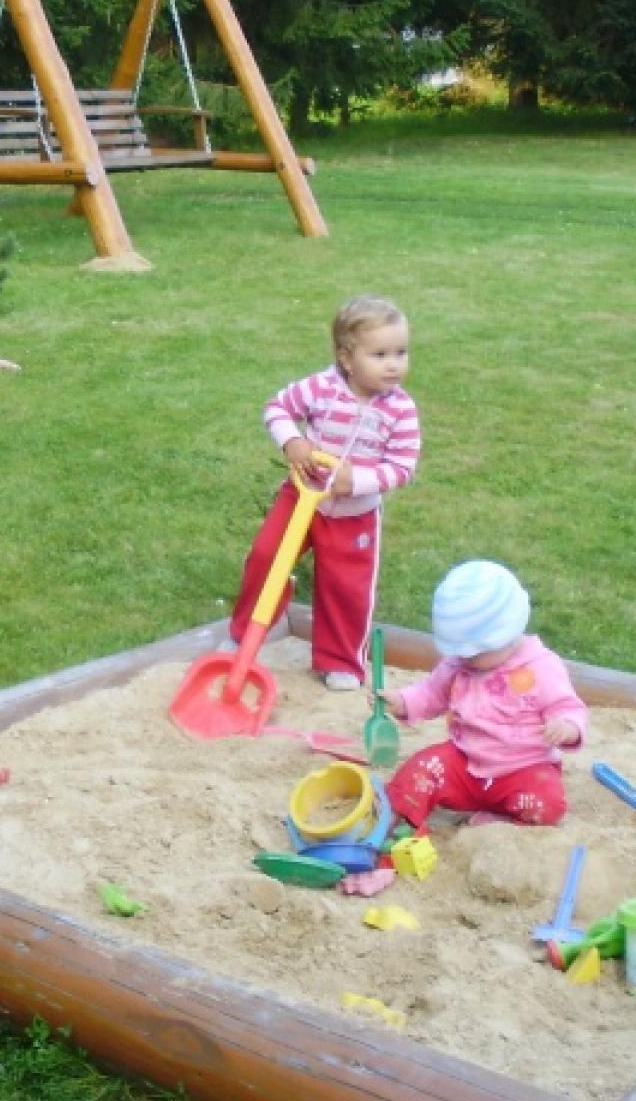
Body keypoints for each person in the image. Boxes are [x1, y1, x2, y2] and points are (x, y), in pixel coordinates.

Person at [224, 294, 420, 689]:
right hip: (301, 498)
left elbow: (402, 467)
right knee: (266, 557)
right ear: (347, 358)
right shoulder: (321, 387)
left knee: (346, 587)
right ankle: (244, 635)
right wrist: (293, 442)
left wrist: (356, 482)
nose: (394, 364)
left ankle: (340, 660)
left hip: (354, 514)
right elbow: (277, 408)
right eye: (379, 354)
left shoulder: (400, 410)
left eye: (401, 352)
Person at [382, 560, 588, 830]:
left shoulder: (541, 667)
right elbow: (432, 692)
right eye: (459, 651)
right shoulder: (458, 663)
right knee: (420, 769)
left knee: (547, 803)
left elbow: (568, 707)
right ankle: (396, 816)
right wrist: (403, 702)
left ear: (506, 635)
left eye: (473, 653)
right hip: (464, 762)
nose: (464, 658)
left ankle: (503, 820)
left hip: (522, 769)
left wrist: (567, 727)